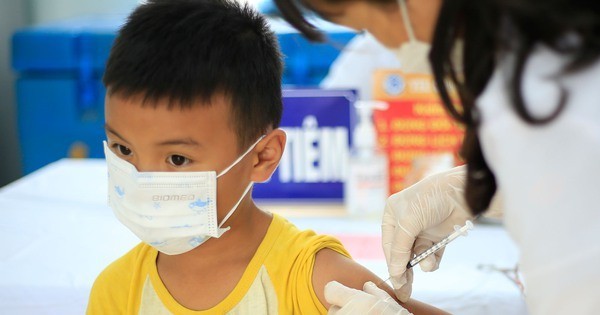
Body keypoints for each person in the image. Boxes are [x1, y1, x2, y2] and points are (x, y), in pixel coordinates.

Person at [86, 0, 447, 314]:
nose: (142, 177)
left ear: (262, 157)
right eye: (123, 149)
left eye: (177, 159)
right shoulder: (116, 291)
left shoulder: (311, 278)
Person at [274, 0, 600, 314]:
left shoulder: (543, 98)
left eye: (367, 24)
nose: (394, 54)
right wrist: (473, 190)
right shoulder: (548, 59)